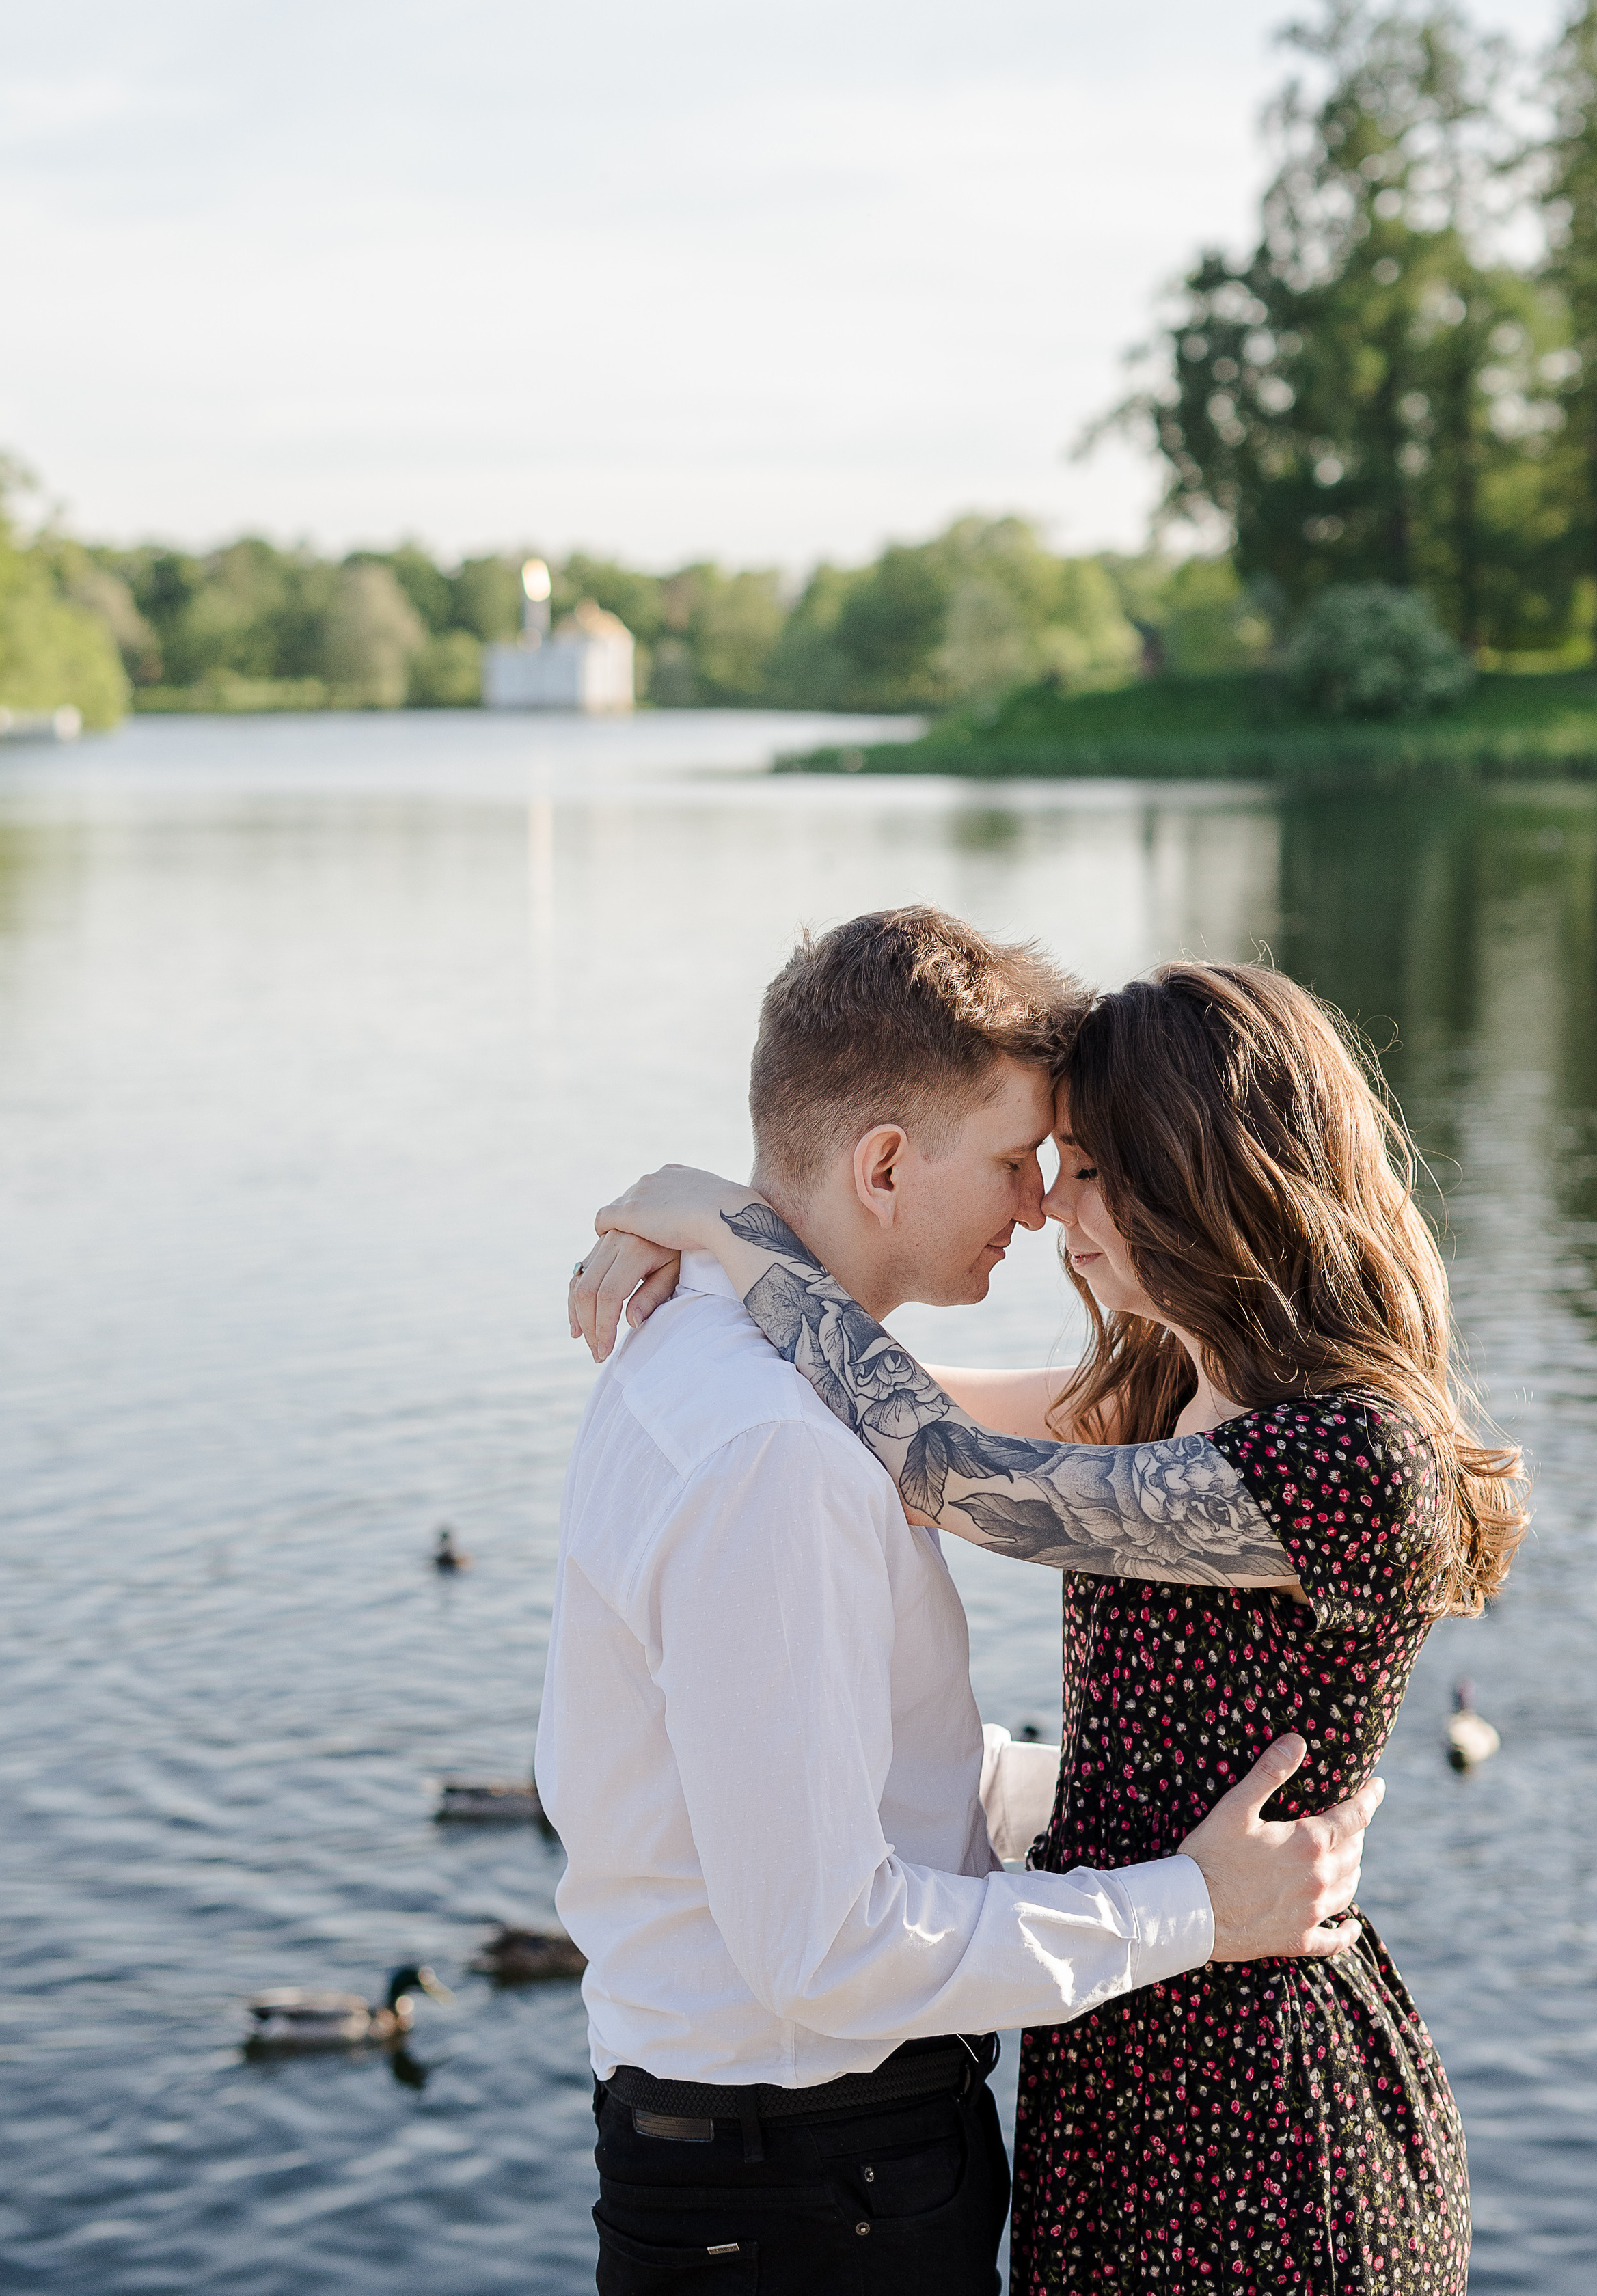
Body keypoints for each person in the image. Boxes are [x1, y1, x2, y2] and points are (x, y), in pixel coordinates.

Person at [578, 953, 1529, 2295]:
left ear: (1200, 1172)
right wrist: (711, 1250)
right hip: (1116, 2040)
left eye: (1085, 1168)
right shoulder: (1152, 1388)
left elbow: (935, 1469)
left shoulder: (1345, 1460)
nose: (1048, 1209)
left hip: (1253, 2094)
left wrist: (736, 1233)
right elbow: (875, 1400)